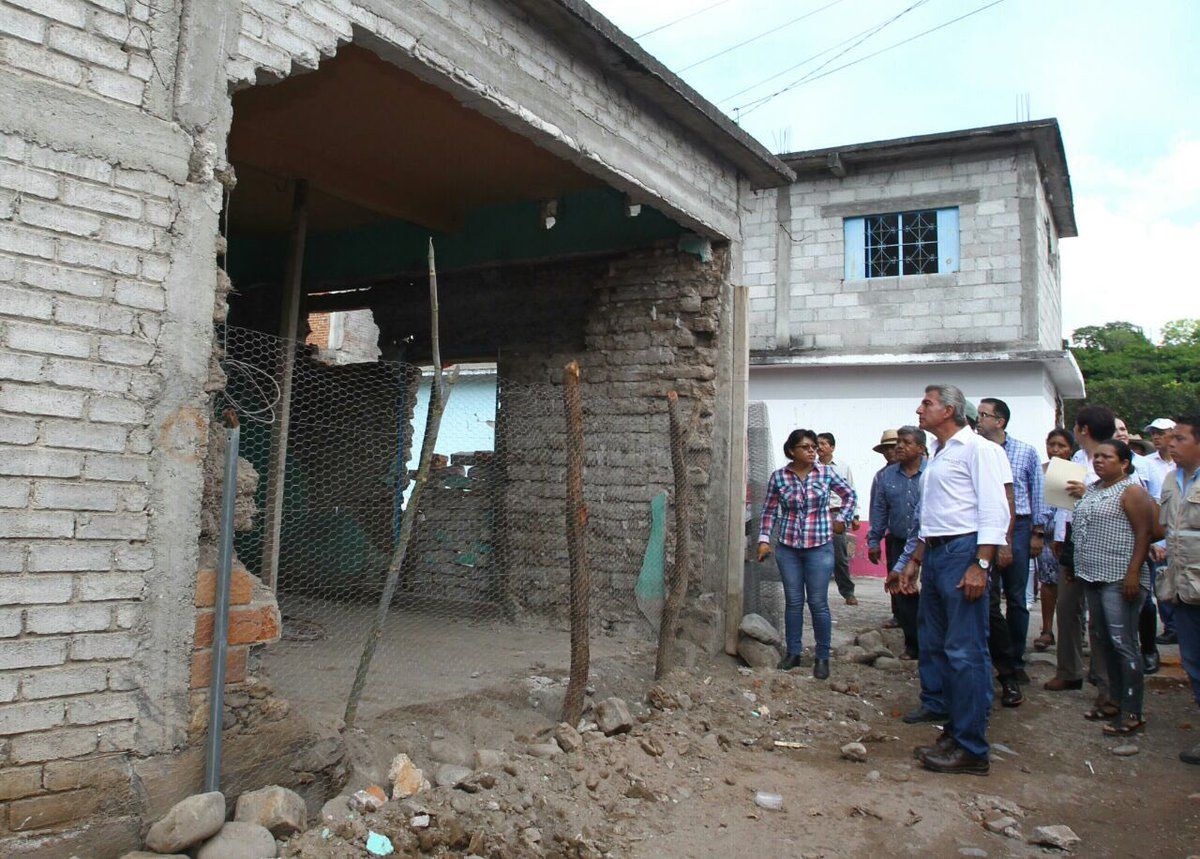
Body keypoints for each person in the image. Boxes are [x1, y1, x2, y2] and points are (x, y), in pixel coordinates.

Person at [895, 385, 1010, 775]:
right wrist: (915, 559)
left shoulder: (981, 450)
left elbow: (995, 511)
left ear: (949, 410)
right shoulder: (942, 454)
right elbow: (937, 514)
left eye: (927, 403)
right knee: (939, 645)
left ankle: (972, 748)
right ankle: (955, 731)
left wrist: (981, 563)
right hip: (940, 554)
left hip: (964, 553)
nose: (919, 408)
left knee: (966, 652)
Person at [757, 429, 857, 679]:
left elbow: (850, 495)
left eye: (814, 447)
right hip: (789, 548)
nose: (813, 451)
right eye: (806, 447)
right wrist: (763, 540)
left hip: (820, 547)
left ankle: (822, 657)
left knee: (818, 602)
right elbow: (769, 511)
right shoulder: (779, 477)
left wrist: (842, 519)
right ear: (792, 451)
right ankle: (794, 652)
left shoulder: (825, 473)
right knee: (793, 602)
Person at [1071, 440, 1155, 735]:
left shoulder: (1131, 490)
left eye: (1107, 457)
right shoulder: (1094, 489)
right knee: (1103, 642)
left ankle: (1133, 711)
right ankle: (1111, 701)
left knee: (1124, 643)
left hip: (1121, 578)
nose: (1099, 461)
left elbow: (1145, 533)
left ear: (1124, 463)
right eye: (1096, 457)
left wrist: (1133, 573)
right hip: (1093, 576)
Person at [1045, 405, 1116, 695]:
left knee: (1101, 614)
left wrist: (1089, 495)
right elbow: (1065, 505)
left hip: (1102, 544)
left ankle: (1104, 678)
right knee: (1067, 608)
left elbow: (1122, 499)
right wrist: (1060, 536)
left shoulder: (1117, 460)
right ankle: (1070, 671)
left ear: (1082, 429)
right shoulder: (1075, 458)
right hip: (1072, 543)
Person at [976, 398, 1047, 681]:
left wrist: (1037, 533)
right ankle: (993, 656)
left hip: (1019, 529)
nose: (978, 419)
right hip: (986, 527)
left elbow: (1036, 491)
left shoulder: (1025, 452)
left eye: (984, 415)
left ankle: (1016, 660)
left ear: (999, 421)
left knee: (1016, 597)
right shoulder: (978, 451)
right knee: (987, 595)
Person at [1157, 415, 1200, 765]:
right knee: (1194, 663)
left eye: (1180, 438)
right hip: (1182, 587)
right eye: (1170, 438)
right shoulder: (1172, 479)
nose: (1171, 444)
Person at [870, 426, 926, 659]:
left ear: (921, 449)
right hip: (899, 541)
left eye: (904, 443)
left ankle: (933, 642)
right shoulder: (885, 476)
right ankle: (913, 645)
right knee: (903, 594)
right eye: (895, 445)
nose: (898, 448)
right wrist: (874, 540)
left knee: (931, 593)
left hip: (930, 544)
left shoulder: (933, 472)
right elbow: (880, 509)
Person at [1033, 428, 1075, 652]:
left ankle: (1076, 632)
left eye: (1061, 446)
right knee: (1048, 583)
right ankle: (1047, 630)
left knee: (1072, 583)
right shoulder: (1040, 471)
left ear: (1070, 448)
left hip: (1069, 537)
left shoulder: (1075, 473)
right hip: (1045, 536)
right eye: (1052, 445)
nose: (1056, 450)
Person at [1144, 417, 1178, 646]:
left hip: (1182, 529)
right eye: (1153, 433)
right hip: (1158, 529)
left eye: (1161, 432)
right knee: (1161, 579)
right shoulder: (1147, 463)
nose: (1156, 437)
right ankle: (1170, 626)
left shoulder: (1184, 464)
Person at [817, 432, 859, 606]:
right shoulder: (811, 467)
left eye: (823, 444)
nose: (819, 447)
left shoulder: (842, 467)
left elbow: (851, 491)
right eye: (817, 443)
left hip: (836, 515)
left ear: (832, 447)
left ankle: (848, 592)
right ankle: (815, 593)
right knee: (815, 554)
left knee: (839, 555)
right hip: (817, 514)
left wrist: (854, 516)